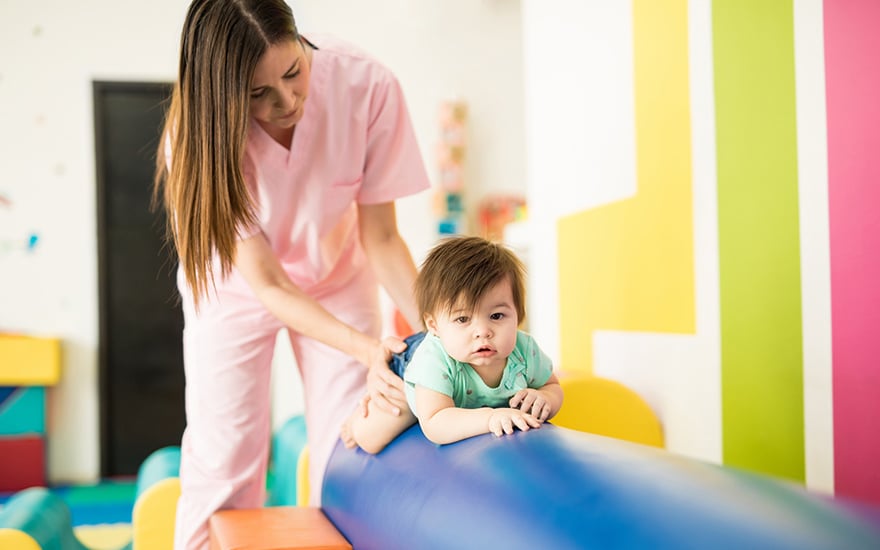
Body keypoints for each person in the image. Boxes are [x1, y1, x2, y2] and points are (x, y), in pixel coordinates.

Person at [153, 1, 429, 547]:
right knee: (225, 455)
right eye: (258, 94)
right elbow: (270, 286)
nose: (288, 102)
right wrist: (362, 345)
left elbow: (382, 239)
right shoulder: (194, 136)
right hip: (234, 288)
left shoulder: (367, 85)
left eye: (293, 72)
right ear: (223, 96)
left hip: (336, 275)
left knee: (350, 443)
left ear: (301, 40)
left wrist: (445, 330)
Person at [346, 236, 563, 452]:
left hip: (451, 356)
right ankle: (353, 420)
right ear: (434, 326)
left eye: (496, 316)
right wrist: (490, 417)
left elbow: (552, 386)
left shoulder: (525, 351)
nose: (483, 332)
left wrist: (545, 398)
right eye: (463, 319)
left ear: (519, 315)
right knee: (371, 437)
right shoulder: (432, 361)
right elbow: (435, 425)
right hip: (411, 368)